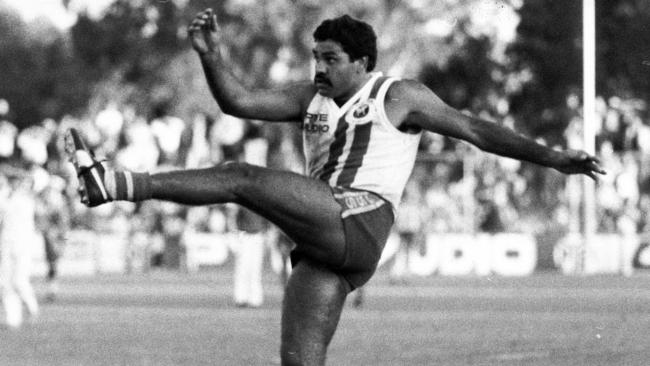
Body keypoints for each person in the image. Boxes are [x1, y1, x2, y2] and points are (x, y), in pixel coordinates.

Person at [64, 9, 605, 365]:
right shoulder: (309, 97)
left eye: (331, 59)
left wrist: (552, 158)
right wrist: (211, 57)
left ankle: (114, 183)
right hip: (328, 241)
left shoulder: (400, 96)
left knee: (241, 177)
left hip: (360, 219)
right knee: (299, 362)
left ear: (363, 64)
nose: (319, 67)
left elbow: (476, 130)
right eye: (315, 56)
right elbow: (239, 102)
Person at [0, 169, 40, 329]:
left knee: (19, 280)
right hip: (6, 243)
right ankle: (12, 318)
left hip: (23, 244)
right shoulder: (5, 197)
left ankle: (32, 308)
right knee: (5, 282)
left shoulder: (26, 199)